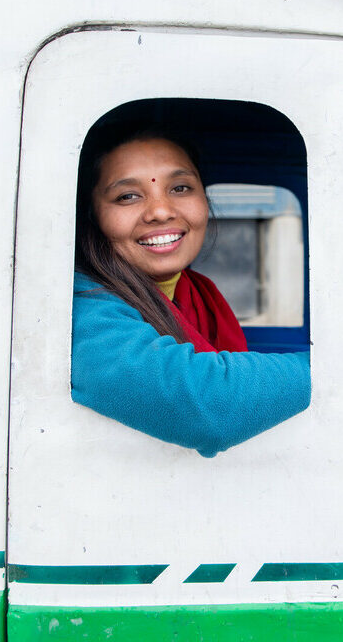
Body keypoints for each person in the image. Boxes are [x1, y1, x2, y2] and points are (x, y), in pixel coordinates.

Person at [71, 120, 311, 457]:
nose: (160, 211)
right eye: (127, 196)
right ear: (93, 215)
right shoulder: (81, 308)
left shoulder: (198, 292)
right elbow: (210, 405)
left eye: (180, 188)